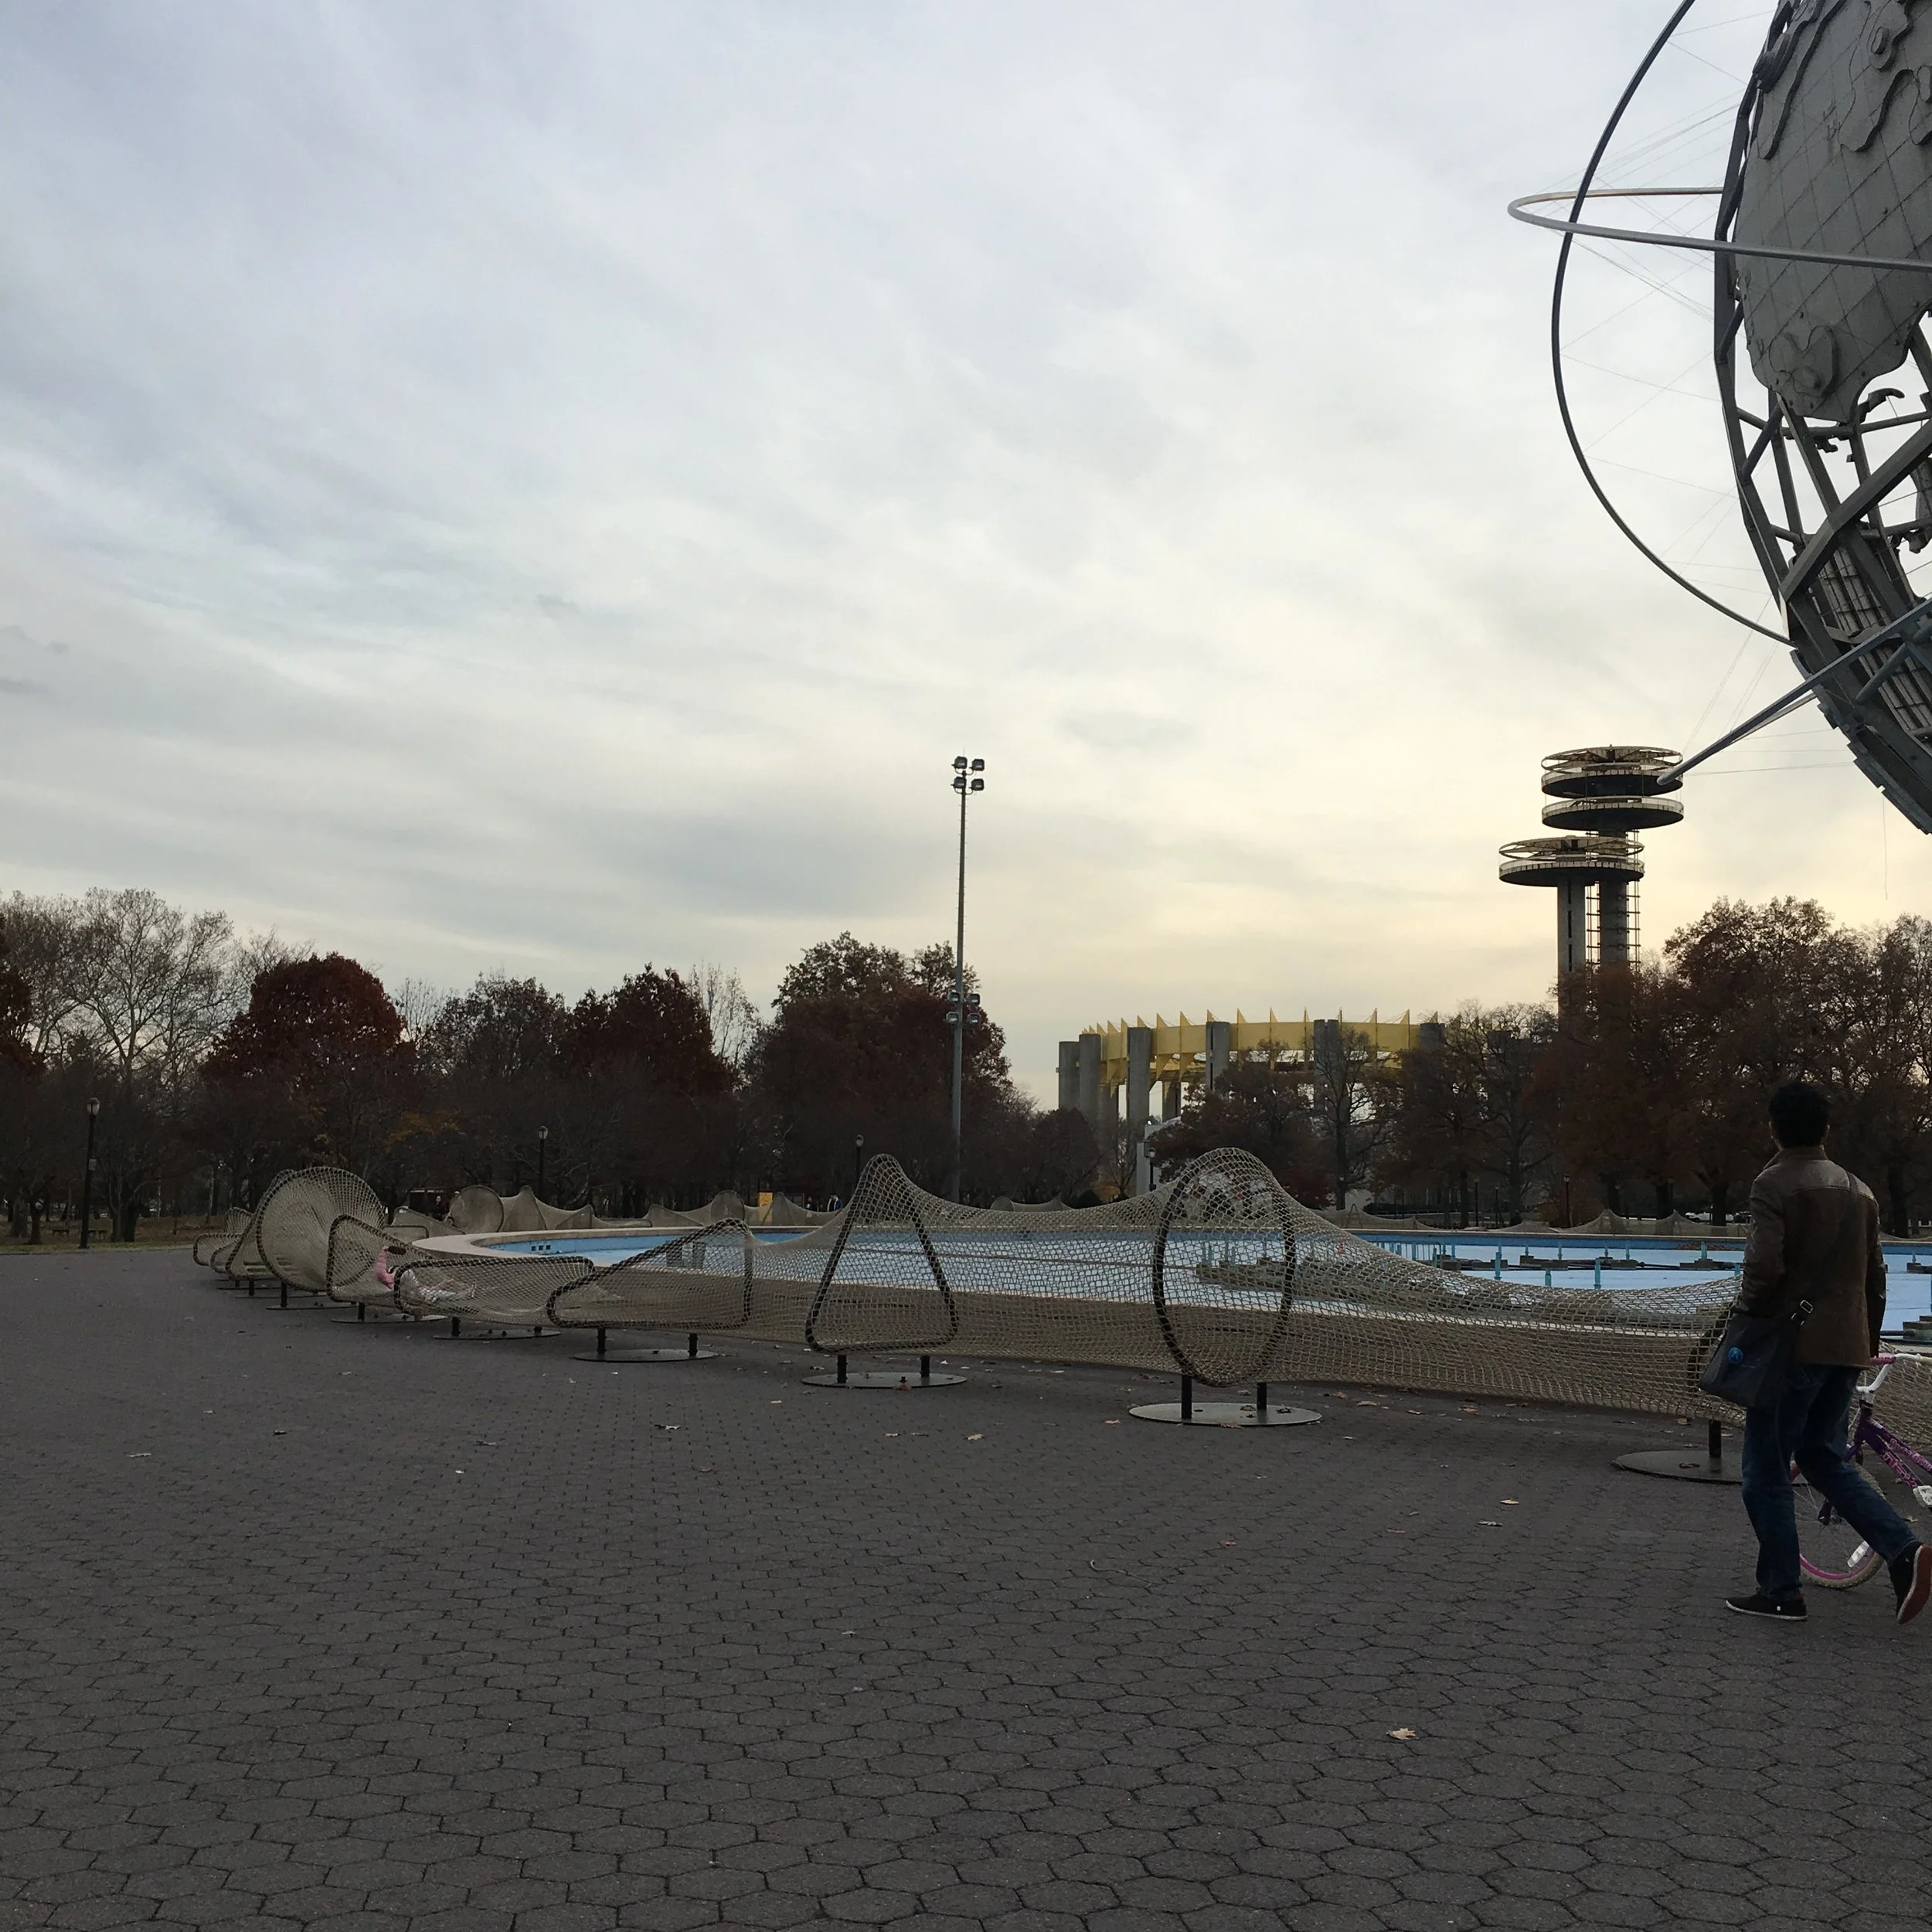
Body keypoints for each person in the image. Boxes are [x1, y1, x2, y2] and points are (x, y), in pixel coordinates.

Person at [1728, 1080, 1931, 1624]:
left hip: (1790, 1348)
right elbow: (1875, 1278)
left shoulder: (1774, 1184)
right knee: (1822, 1456)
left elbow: (1764, 1268)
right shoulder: (1861, 1190)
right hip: (1846, 1346)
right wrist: (1865, 1338)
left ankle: (1780, 1591)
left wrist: (1744, 1317)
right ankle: (1904, 1551)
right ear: (1825, 1129)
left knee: (1766, 1468)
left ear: (1773, 1127)